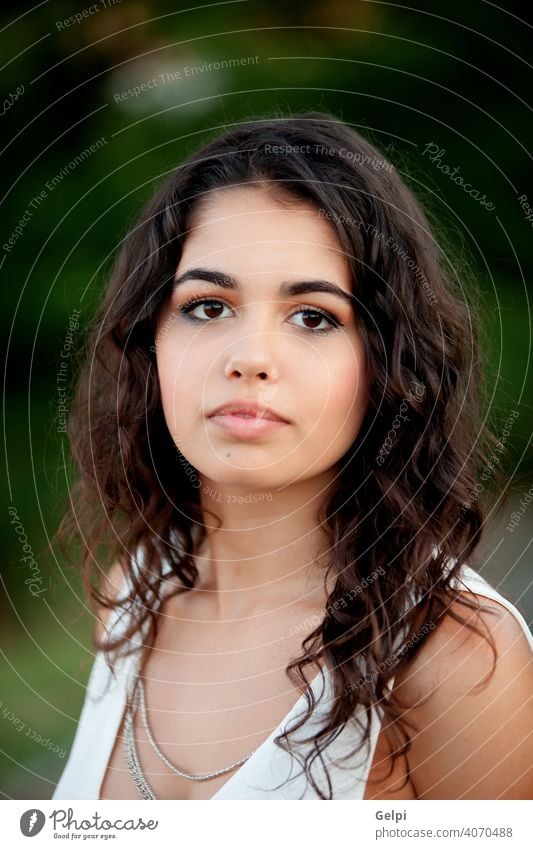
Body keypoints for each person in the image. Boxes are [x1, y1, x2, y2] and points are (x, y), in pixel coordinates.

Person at [53, 111, 533, 801]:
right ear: (150, 339)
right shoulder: (131, 595)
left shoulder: (453, 660)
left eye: (313, 316)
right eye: (207, 306)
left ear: (385, 361)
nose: (249, 358)